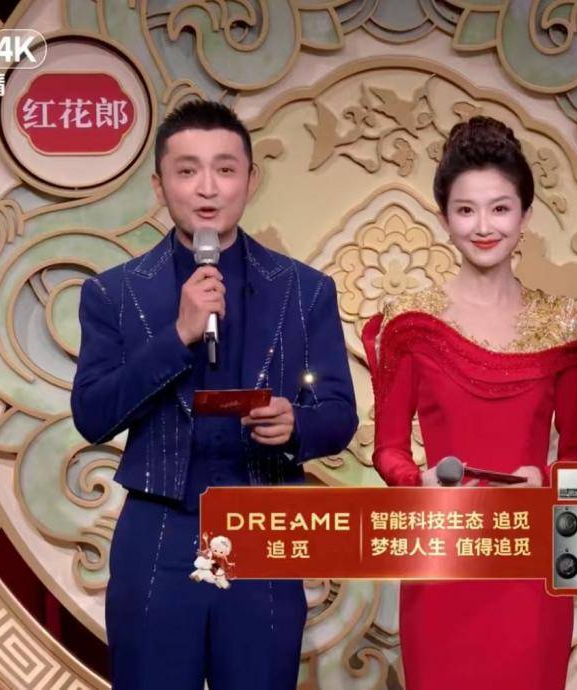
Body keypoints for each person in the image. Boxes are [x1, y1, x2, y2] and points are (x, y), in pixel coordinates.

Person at [71, 100, 358, 689]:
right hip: (158, 528)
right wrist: (176, 335)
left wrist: (297, 425)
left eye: (225, 169)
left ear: (250, 179)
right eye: (187, 170)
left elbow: (338, 413)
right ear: (159, 185)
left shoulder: (305, 290)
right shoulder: (115, 293)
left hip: (265, 524)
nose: (207, 188)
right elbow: (92, 415)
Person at [361, 115, 577, 690]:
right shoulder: (409, 322)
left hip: (531, 560)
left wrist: (544, 480)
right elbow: (388, 449)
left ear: (526, 216)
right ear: (444, 218)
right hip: (442, 558)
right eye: (466, 210)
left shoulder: (564, 323)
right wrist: (418, 481)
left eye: (500, 208)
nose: (483, 226)